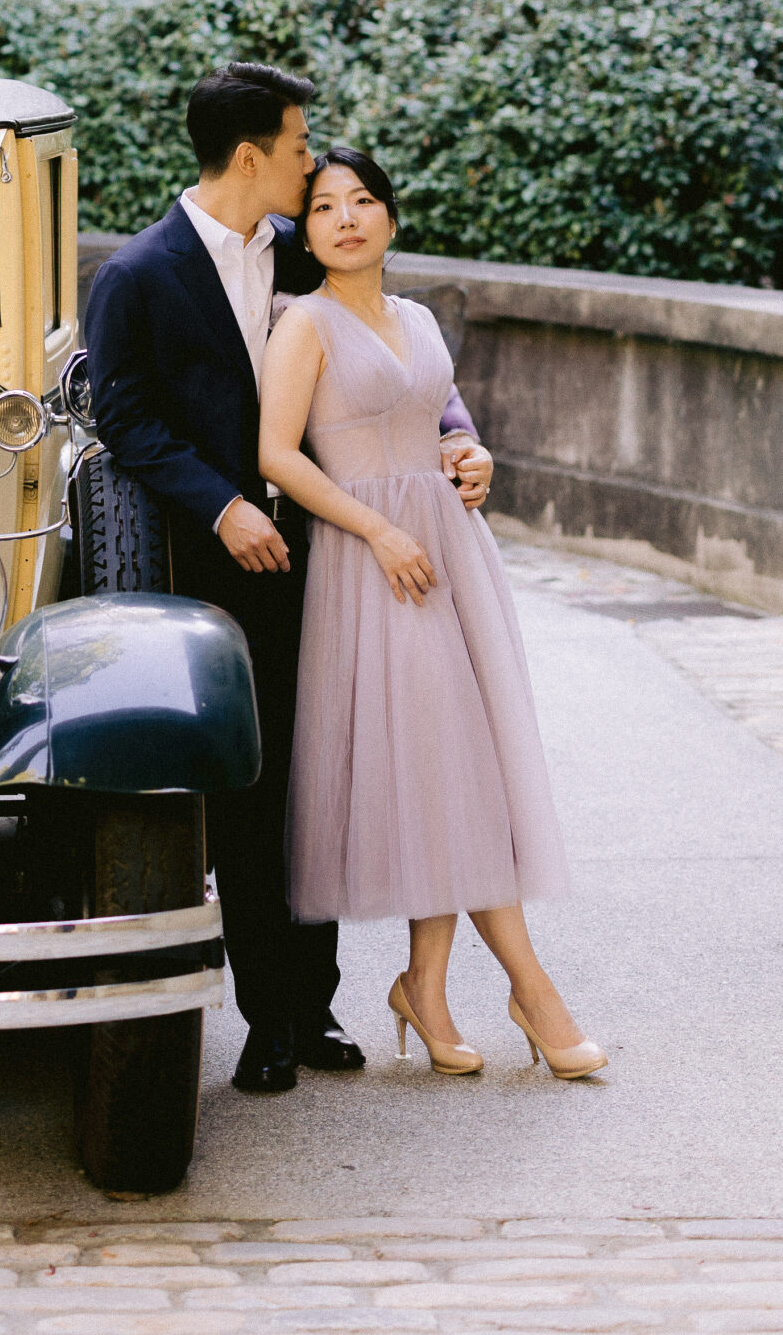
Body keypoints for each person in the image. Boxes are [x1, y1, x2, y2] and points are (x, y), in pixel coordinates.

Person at [84, 63, 483, 1095]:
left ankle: (317, 1002)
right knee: (257, 794)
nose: (318, 164)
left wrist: (459, 435)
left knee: (333, 775)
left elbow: (393, 354)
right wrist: (221, 502)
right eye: (302, 146)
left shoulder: (310, 245)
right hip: (224, 567)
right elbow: (123, 418)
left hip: (343, 551)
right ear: (252, 155)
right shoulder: (138, 275)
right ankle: (267, 1019)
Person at [258, 146, 604, 1081]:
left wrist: (473, 453)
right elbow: (278, 456)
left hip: (450, 553)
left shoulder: (414, 318)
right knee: (445, 764)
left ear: (392, 218)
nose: (345, 218)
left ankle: (427, 984)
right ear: (307, 229)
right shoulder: (303, 324)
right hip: (376, 560)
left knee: (455, 769)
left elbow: (442, 420)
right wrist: (378, 531)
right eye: (324, 205)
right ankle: (531, 990)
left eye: (364, 200)